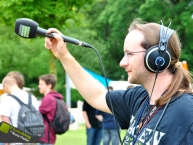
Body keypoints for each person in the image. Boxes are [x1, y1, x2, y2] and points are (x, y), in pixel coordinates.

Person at [44, 18, 193, 145]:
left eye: (129, 54)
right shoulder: (139, 98)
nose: (122, 62)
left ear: (156, 58)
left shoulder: (187, 112)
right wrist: (64, 56)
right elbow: (96, 96)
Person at [0, 71, 39, 145]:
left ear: (6, 85)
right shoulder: (32, 97)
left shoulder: (7, 99)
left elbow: (5, 122)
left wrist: (6, 142)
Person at [38, 74, 64, 145]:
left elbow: (37, 114)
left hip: (46, 136)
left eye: (41, 84)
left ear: (49, 86)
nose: (39, 86)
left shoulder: (49, 98)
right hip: (49, 136)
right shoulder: (54, 97)